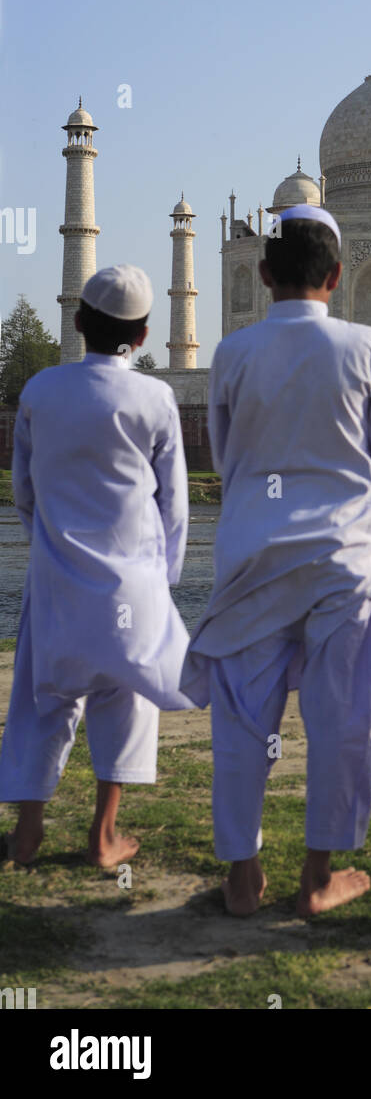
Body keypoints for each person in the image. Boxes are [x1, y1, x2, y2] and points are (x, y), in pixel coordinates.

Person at [181, 205, 371, 918]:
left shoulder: (235, 352)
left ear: (264, 274)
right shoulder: (366, 346)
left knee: (243, 725)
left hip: (252, 561)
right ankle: (317, 877)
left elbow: (222, 448)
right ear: (339, 276)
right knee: (344, 723)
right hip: (344, 559)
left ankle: (242, 880)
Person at [0, 265, 192, 868]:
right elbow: (174, 504)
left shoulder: (39, 392)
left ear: (78, 323)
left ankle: (27, 833)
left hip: (57, 578)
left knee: (40, 702)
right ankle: (103, 835)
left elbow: (23, 490)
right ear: (142, 337)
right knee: (124, 699)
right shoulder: (155, 397)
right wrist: (164, 581)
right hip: (131, 582)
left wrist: (51, 545)